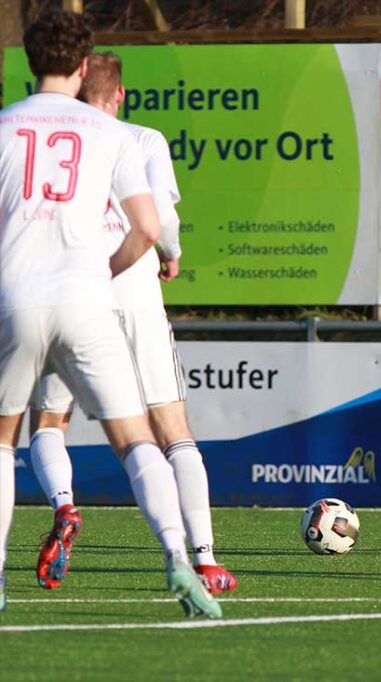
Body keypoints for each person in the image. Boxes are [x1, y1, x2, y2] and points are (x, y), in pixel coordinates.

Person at [0, 11, 220, 617]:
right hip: (90, 296)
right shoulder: (115, 135)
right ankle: (181, 555)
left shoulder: (5, 127)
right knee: (139, 438)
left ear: (28, 63)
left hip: (18, 297)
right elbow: (150, 228)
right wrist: (107, 269)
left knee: (11, 436)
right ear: (81, 65)